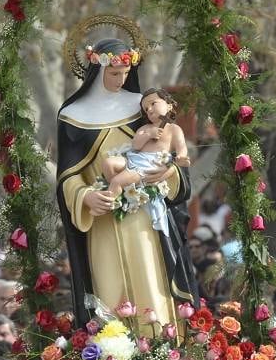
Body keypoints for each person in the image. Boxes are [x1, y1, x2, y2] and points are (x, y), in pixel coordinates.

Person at [57, 37, 195, 325]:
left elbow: (171, 153)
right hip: (104, 220)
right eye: (114, 74)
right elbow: (67, 176)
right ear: (97, 70)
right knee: (110, 293)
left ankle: (161, 350)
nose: (121, 80)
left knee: (151, 285)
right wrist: (85, 196)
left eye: (125, 73)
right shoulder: (72, 116)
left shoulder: (143, 108)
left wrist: (168, 172)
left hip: (146, 219)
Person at [102, 88, 191, 197]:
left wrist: (181, 157)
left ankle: (111, 198)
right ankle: (121, 192)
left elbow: (181, 147)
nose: (149, 109)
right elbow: (135, 146)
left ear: (169, 105)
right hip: (134, 158)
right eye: (146, 109)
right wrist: (148, 135)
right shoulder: (145, 128)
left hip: (148, 165)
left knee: (117, 181)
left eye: (153, 103)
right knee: (108, 164)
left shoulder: (174, 129)